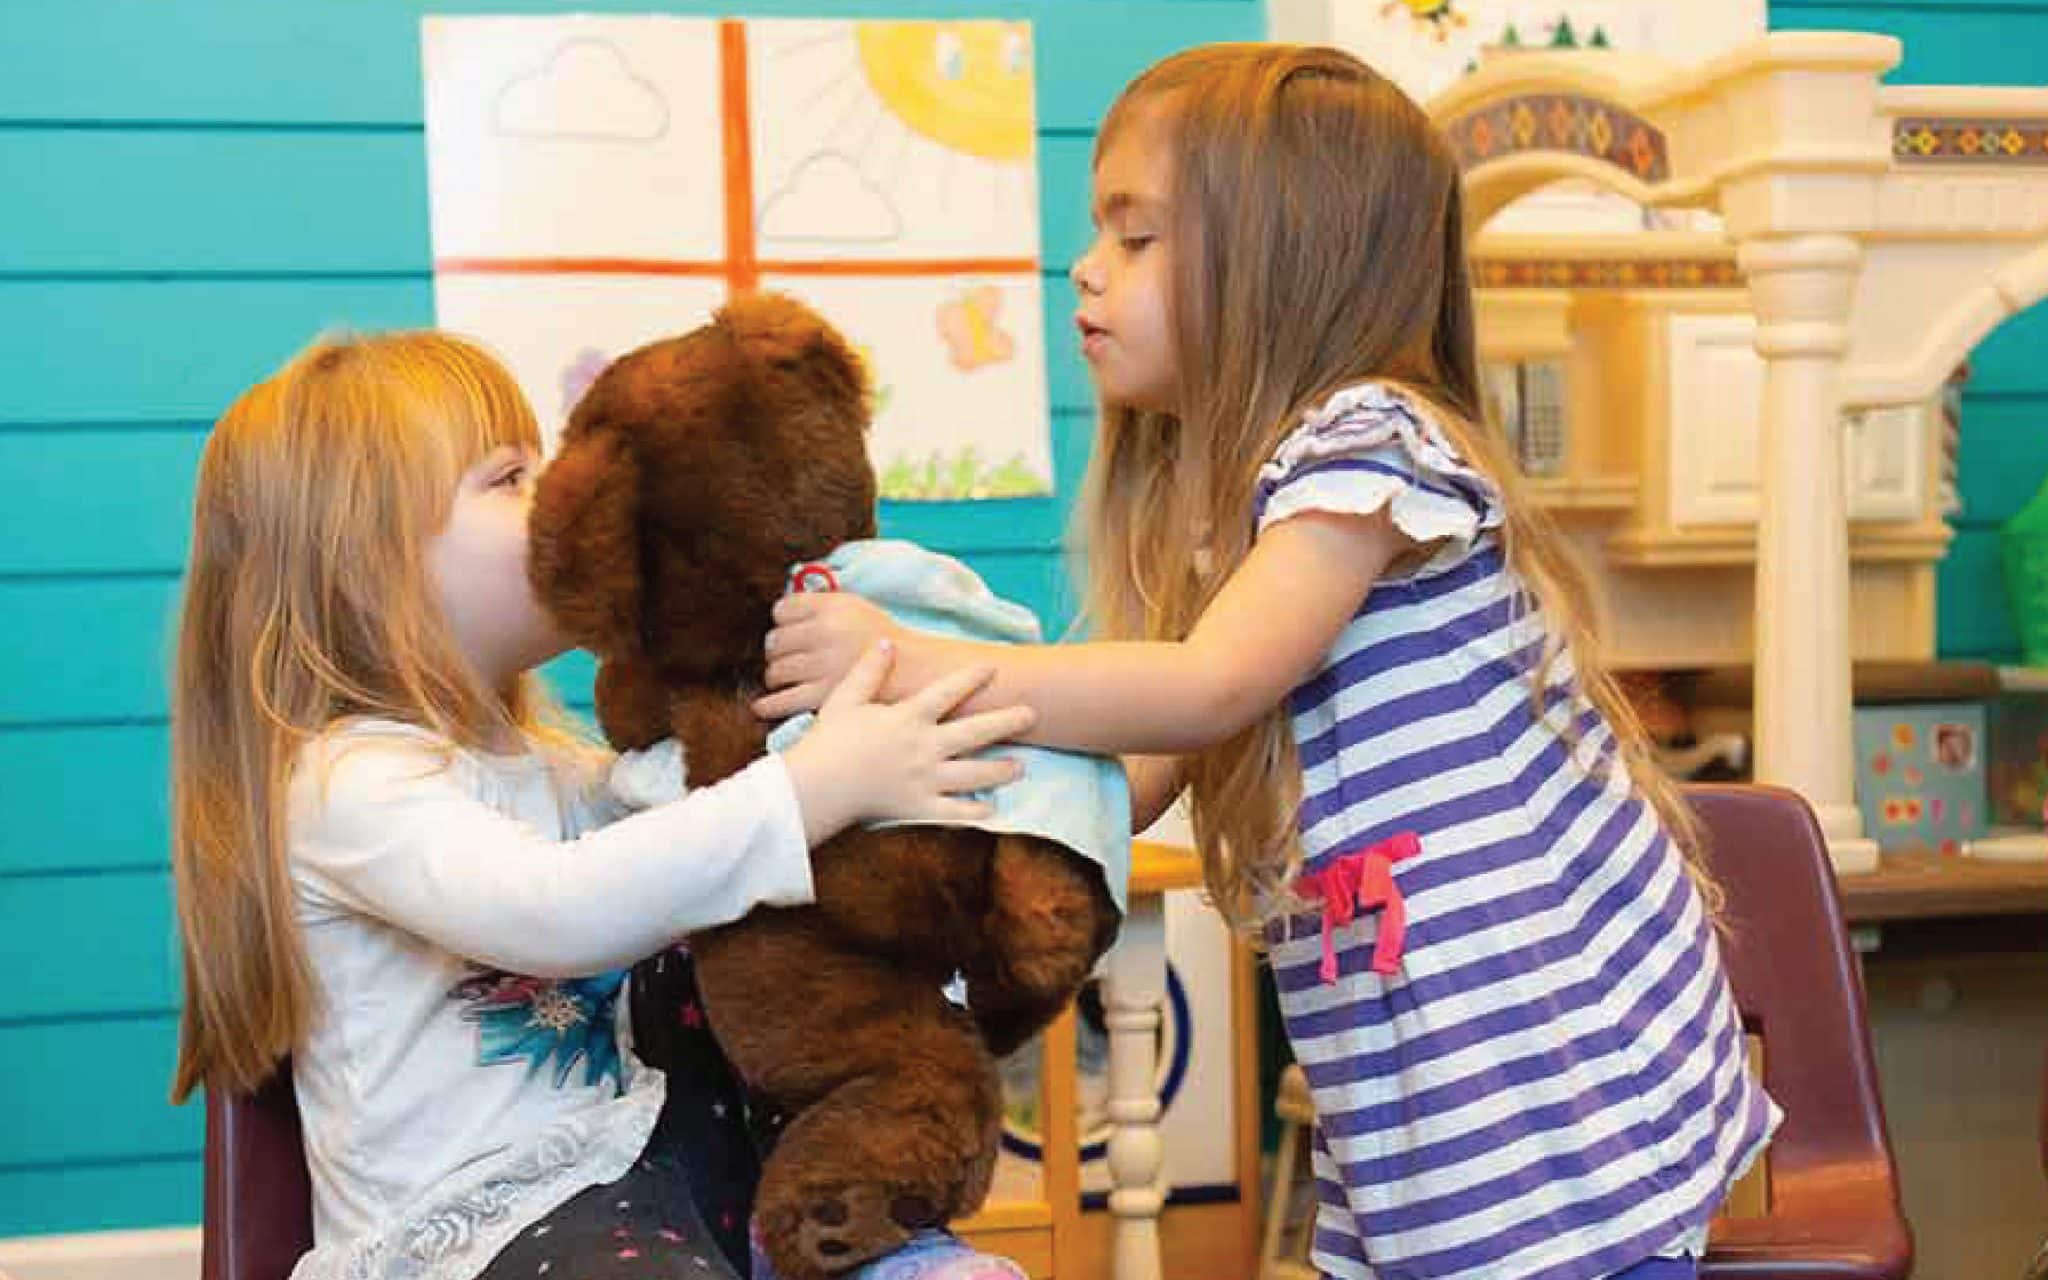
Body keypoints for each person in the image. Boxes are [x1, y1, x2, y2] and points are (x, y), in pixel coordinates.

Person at [755, 43, 1779, 1280]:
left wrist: (920, 663)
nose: (1085, 269)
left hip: (1536, 1071)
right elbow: (1128, 777)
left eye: (1136, 240)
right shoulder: (1244, 531)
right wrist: (891, 808)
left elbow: (1206, 684)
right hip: (1416, 1077)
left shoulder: (1371, 447)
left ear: (1283, 262)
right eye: (1101, 235)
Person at [167, 331, 1034, 1280]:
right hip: (466, 1238)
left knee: (742, 931)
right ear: (364, 563)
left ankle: (857, 1237)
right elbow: (557, 912)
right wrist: (812, 784)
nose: (561, 501)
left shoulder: (559, 767)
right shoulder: (347, 786)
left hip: (641, 1192)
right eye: (509, 478)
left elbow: (694, 858)